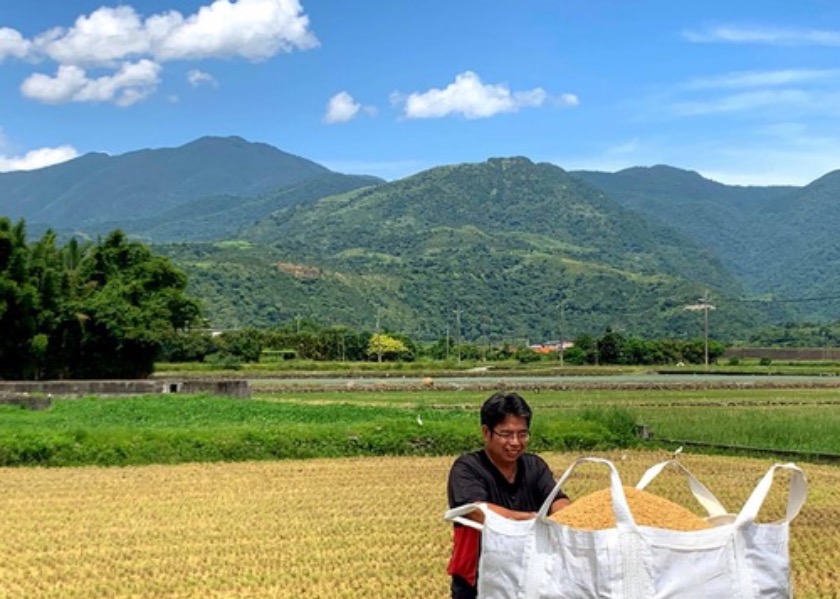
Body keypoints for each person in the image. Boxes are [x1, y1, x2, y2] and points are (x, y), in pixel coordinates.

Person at [446, 392, 570, 599]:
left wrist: (568, 516)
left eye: (522, 434)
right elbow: (477, 511)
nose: (515, 442)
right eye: (506, 434)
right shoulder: (467, 468)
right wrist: (529, 519)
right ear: (487, 433)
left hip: (529, 575)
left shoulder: (534, 466)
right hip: (478, 581)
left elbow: (556, 499)